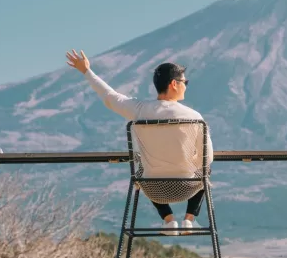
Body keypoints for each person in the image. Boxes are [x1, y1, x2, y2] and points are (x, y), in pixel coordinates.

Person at [65, 49, 212, 235]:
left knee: (145, 167)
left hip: (152, 187)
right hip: (187, 187)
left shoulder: (140, 110)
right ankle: (189, 220)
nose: (186, 86)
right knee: (205, 170)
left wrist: (87, 71)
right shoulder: (194, 117)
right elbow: (208, 158)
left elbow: (110, 97)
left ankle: (168, 220)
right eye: (185, 82)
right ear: (174, 84)